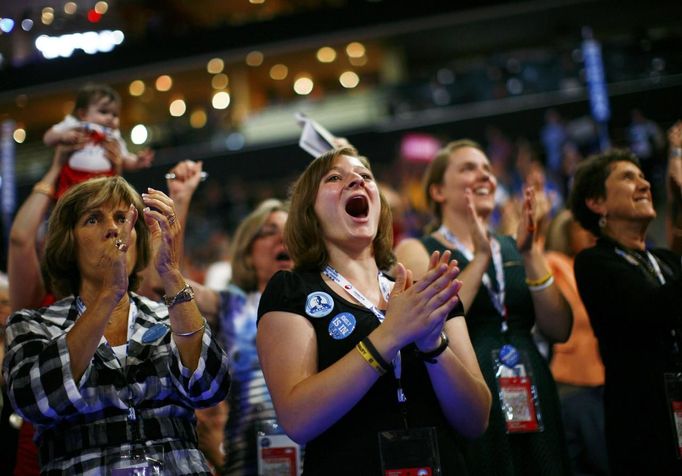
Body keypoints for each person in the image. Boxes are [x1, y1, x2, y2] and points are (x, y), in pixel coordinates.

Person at [257, 146, 491, 475]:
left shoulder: (425, 296)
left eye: (366, 176)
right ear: (309, 211)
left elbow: (476, 420)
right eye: (335, 178)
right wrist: (390, 335)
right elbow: (298, 420)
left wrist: (431, 344)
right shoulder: (292, 290)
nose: (357, 180)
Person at [2, 176, 231, 474]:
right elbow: (34, 401)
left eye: (122, 218)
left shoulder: (169, 316)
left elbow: (211, 386)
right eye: (93, 219)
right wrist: (109, 293)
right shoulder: (34, 325)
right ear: (68, 242)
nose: (113, 228)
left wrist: (171, 273)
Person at [395, 139, 572, 475]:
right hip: (467, 398)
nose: (485, 176)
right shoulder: (418, 249)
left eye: (488, 170)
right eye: (468, 168)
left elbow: (558, 329)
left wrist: (532, 252)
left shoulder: (517, 244)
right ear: (437, 192)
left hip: (533, 387)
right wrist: (479, 258)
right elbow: (432, 317)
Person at [569, 145, 682, 476]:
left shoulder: (666, 261)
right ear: (597, 203)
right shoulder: (594, 263)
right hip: (643, 426)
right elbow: (653, 310)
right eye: (628, 177)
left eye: (644, 177)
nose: (644, 184)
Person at [190, 199, 294, 475]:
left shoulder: (324, 304)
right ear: (248, 253)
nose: (283, 237)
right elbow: (162, 282)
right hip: (246, 464)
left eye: (290, 231)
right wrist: (179, 201)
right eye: (269, 231)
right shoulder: (230, 308)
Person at [544, 209, 608, 476]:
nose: (593, 233)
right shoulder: (554, 263)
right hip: (571, 382)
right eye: (584, 228)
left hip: (603, 381)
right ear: (566, 234)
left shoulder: (601, 266)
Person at [43, 83, 154, 198]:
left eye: (115, 114)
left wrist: (137, 161)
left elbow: (124, 158)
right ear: (83, 114)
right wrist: (63, 136)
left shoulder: (113, 134)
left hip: (104, 181)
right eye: (104, 112)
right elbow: (47, 138)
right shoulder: (74, 124)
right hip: (73, 179)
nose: (110, 117)